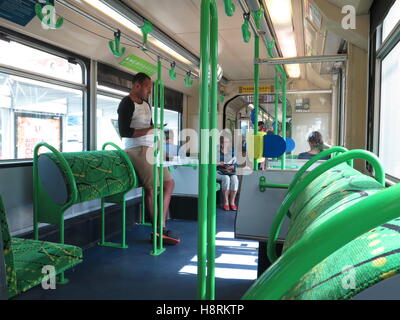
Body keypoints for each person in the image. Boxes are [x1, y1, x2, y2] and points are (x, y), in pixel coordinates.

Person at [117, 72, 179, 244]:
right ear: (137, 85)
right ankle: (159, 230)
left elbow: (152, 130)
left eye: (150, 88)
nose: (149, 91)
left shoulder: (146, 104)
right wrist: (151, 129)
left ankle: (161, 224)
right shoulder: (126, 103)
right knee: (151, 188)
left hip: (152, 148)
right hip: (136, 149)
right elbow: (124, 132)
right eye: (147, 87)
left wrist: (161, 148)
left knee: (169, 183)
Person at [217, 136, 239, 211]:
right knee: (226, 178)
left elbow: (236, 163)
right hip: (219, 171)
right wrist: (219, 164)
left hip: (229, 171)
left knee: (235, 179)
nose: (227, 144)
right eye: (225, 142)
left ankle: (232, 202)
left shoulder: (232, 152)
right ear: (221, 143)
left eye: (228, 142)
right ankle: (226, 202)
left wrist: (232, 166)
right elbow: (211, 163)